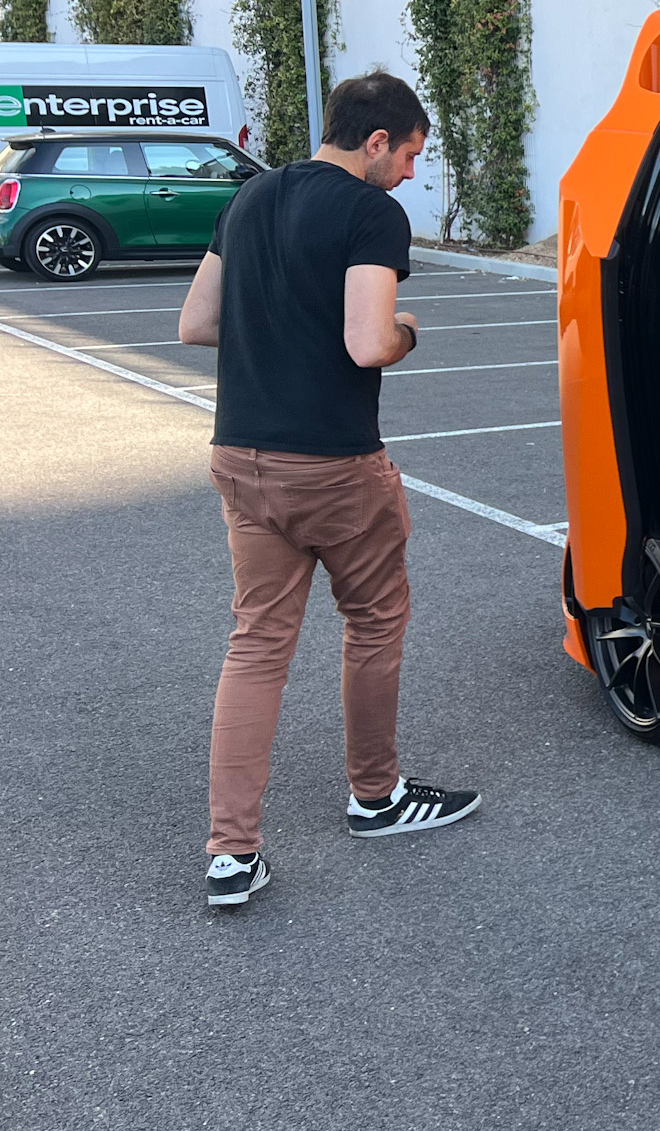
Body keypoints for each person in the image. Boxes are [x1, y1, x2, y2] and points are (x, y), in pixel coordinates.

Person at [177, 70, 481, 908]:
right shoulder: (369, 213)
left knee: (257, 644)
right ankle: (376, 796)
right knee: (376, 621)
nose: (413, 174)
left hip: (241, 453)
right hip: (336, 464)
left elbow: (195, 323)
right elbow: (367, 342)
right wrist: (410, 332)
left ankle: (232, 855)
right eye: (412, 154)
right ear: (375, 140)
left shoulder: (248, 200)